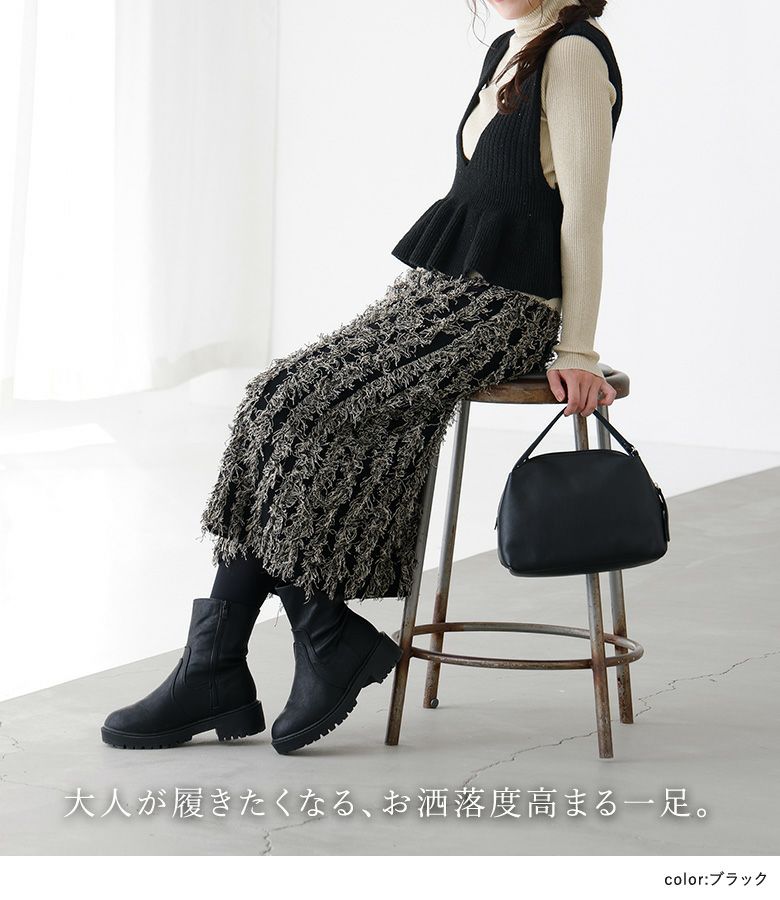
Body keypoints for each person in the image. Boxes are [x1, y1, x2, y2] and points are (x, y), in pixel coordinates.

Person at [101, 0, 622, 754]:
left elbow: (584, 213)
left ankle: (250, 660)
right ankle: (264, 649)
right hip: (441, 293)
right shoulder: (512, 47)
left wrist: (577, 350)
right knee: (276, 396)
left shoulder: (572, 53)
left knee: (303, 410)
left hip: (506, 310)